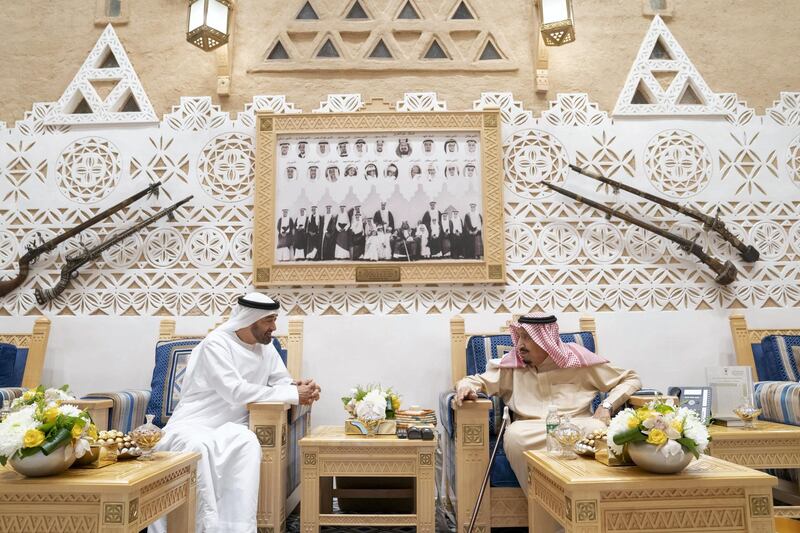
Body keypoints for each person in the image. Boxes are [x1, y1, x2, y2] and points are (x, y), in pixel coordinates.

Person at [150, 293, 321, 533]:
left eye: (274, 320)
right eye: (269, 320)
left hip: (232, 426)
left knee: (246, 442)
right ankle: (196, 526)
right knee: (197, 447)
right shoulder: (216, 344)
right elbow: (234, 391)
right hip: (194, 423)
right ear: (249, 320)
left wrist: (299, 387)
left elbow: (280, 381)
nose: (274, 327)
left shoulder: (266, 347)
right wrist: (294, 395)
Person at [454, 314, 640, 493]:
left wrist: (607, 405)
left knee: (597, 429)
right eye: (518, 337)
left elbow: (631, 379)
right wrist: (465, 386)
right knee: (515, 436)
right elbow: (475, 381)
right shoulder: (511, 366)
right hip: (530, 431)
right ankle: (542, 504)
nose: (519, 345)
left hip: (578, 426)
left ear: (545, 340)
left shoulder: (579, 362)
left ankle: (586, 502)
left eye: (526, 338)